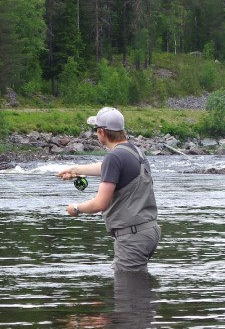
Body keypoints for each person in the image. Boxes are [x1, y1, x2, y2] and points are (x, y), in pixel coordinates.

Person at [57, 106, 160, 271]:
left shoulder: (114, 157)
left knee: (127, 292)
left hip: (132, 237)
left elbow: (100, 204)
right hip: (149, 231)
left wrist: (76, 208)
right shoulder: (134, 152)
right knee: (129, 287)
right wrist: (75, 170)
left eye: (96, 129)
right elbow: (105, 167)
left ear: (102, 132)